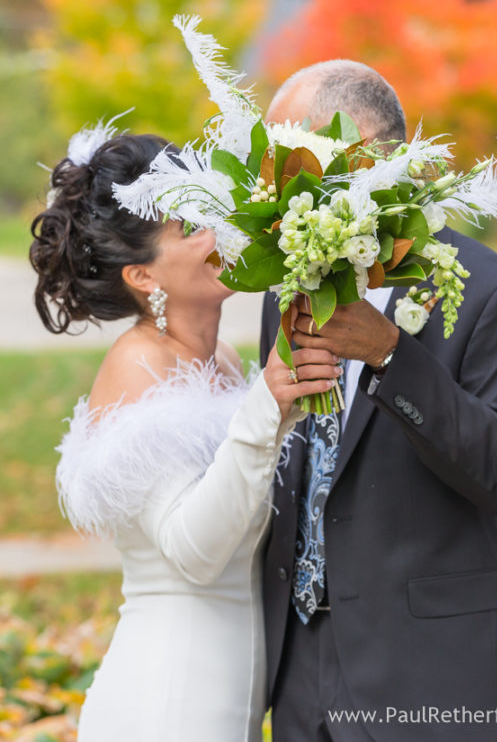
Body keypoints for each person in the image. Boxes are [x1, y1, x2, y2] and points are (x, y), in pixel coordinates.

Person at [260, 59, 497, 741]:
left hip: (433, 679)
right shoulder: (285, 285)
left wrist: (392, 354)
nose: (270, 186)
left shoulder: (488, 293)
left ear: (360, 156)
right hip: (302, 675)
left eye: (285, 164)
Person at [30, 130, 341, 742]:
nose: (216, 231)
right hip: (170, 704)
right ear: (143, 275)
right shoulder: (136, 366)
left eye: (209, 211)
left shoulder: (223, 358)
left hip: (234, 702)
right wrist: (265, 408)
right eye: (188, 227)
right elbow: (195, 553)